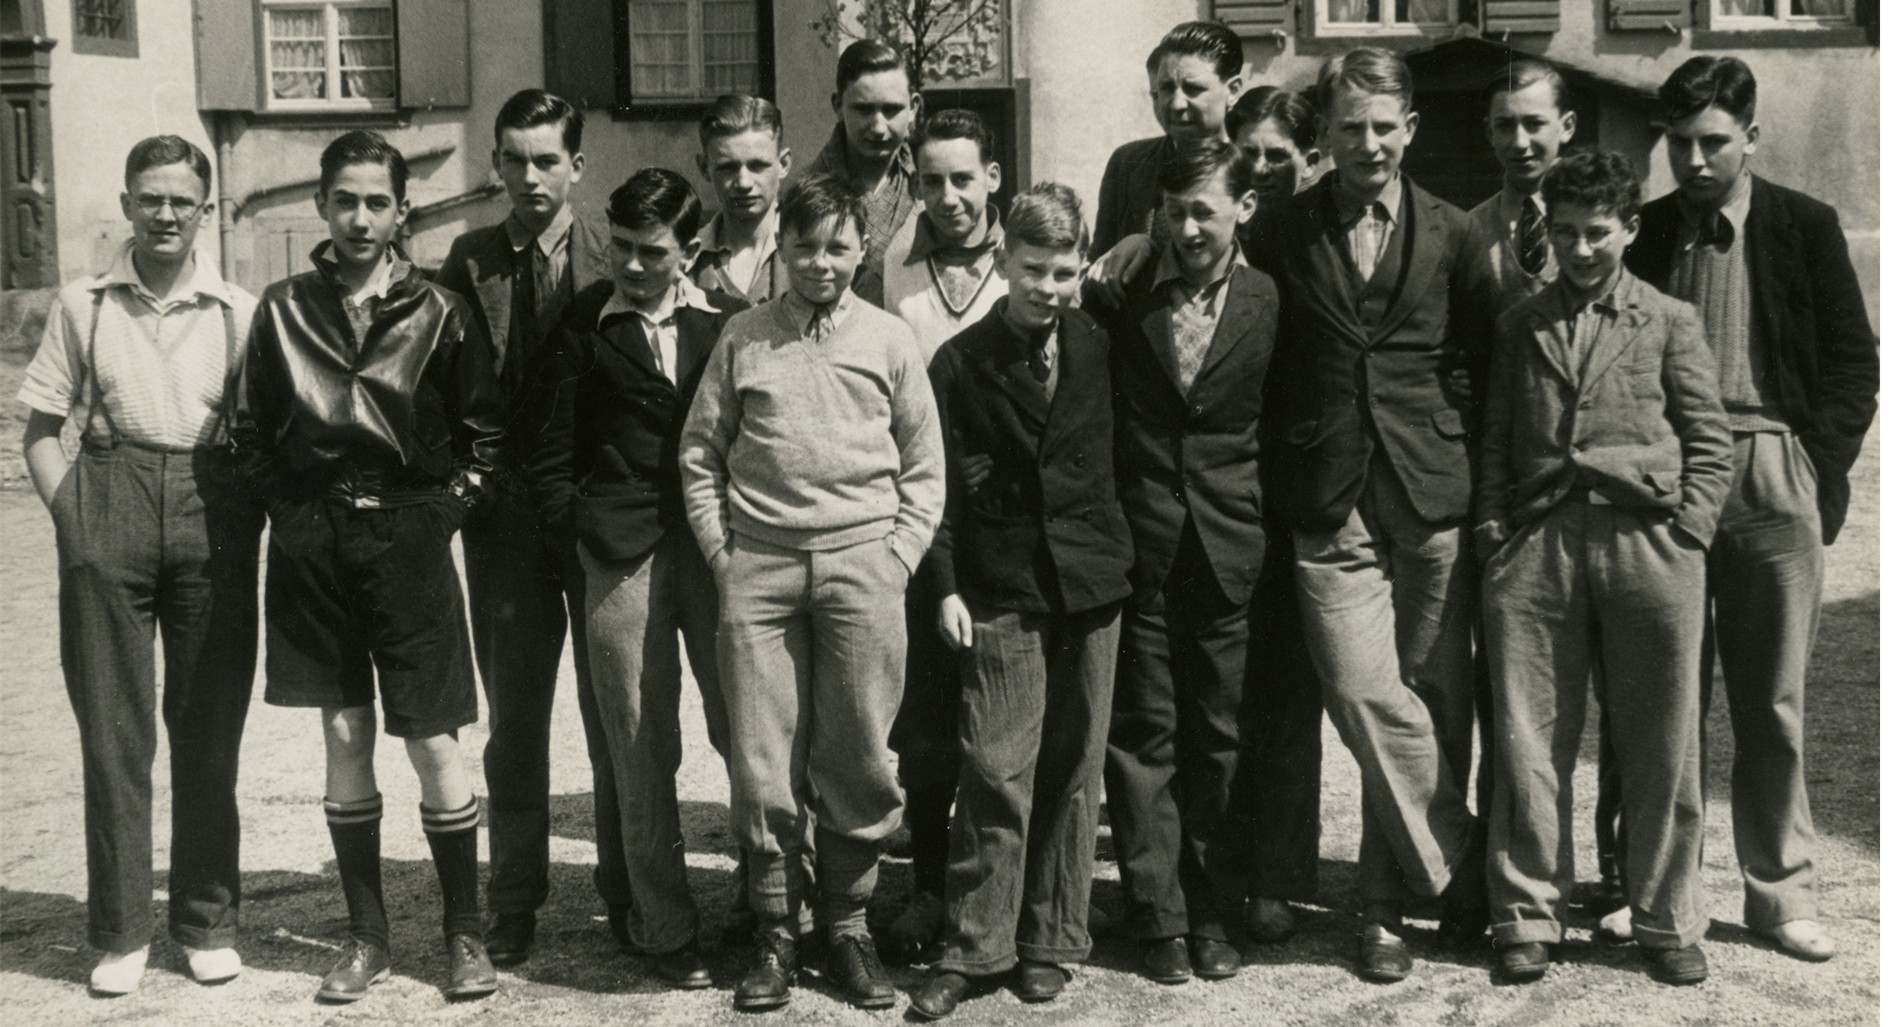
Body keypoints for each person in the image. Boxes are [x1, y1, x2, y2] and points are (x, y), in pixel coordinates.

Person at [229, 130, 505, 1003]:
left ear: (401, 211)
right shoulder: (280, 309)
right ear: (320, 205)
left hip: (407, 541)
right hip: (316, 548)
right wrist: (293, 517)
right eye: (343, 199)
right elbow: (247, 436)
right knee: (344, 735)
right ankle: (366, 937)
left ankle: (465, 934)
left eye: (376, 202)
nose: (359, 217)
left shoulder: (442, 309)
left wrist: (437, 516)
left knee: (432, 741)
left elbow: (486, 440)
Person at [1625, 55, 1880, 964]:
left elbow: (1855, 361)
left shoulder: (1802, 226)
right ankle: (1661, 890)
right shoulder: (1644, 232)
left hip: (1775, 469)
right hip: (1671, 480)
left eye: (1713, 143)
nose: (1694, 162)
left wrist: (1815, 466)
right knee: (1669, 698)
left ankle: (1780, 894)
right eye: (1679, 143)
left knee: (1771, 700)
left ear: (1751, 138)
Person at [1249, 47, 1492, 983]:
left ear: (1412, 130)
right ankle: (1468, 866)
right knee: (1360, 695)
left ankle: (1384, 910)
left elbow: (1476, 356)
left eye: (1385, 126)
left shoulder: (1453, 231)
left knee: (1433, 705)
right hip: (1327, 499)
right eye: (1350, 126)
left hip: (1431, 496)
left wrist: (1454, 451)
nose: (1369, 143)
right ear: (1328, 132)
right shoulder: (1283, 227)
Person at [679, 173, 945, 1012]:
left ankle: (849, 923)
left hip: (863, 566)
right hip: (760, 569)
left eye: (837, 245)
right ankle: (774, 928)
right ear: (780, 250)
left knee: (860, 756)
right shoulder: (743, 339)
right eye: (804, 246)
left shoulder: (890, 339)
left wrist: (897, 557)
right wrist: (727, 558)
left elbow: (925, 467)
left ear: (861, 248)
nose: (820, 262)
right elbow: (700, 457)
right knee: (763, 765)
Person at [1477, 149, 1733, 987]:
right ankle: (1526, 911)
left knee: (1661, 739)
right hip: (1539, 542)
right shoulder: (1521, 322)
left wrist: (1688, 531)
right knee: (1527, 739)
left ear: (1628, 228)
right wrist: (1493, 528)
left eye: (1598, 233)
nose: (1582, 249)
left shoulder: (1668, 319)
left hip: (1648, 544)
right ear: (1545, 229)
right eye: (1566, 232)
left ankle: (1665, 916)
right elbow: (1494, 436)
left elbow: (1709, 442)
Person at [18, 135, 263, 996]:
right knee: (114, 736)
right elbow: (43, 426)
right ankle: (120, 928)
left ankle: (205, 920)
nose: (165, 214)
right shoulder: (82, 304)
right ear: (127, 203)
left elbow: (264, 436)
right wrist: (75, 523)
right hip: (108, 499)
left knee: (207, 730)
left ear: (206, 209)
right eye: (149, 198)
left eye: (181, 201)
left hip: (210, 509)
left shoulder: (239, 309)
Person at [907, 182, 1134, 1020]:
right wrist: (946, 585)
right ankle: (974, 946)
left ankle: (1051, 937)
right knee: (997, 767)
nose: (1048, 286)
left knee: (1074, 769)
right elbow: (934, 491)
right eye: (1033, 268)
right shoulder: (960, 362)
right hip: (1000, 583)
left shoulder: (1102, 345)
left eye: (1065, 270)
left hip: (1091, 582)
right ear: (1003, 258)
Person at [519, 167, 748, 989]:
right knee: (640, 743)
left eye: (652, 251)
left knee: (745, 728)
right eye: (620, 247)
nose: (634, 265)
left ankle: (765, 908)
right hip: (619, 554)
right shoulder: (581, 323)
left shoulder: (730, 325)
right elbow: (549, 453)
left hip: (718, 549)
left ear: (690, 250)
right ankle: (664, 925)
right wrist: (578, 532)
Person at [433, 87, 624, 968]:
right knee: (516, 719)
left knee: (613, 711)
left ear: (576, 166)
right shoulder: (467, 260)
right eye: (513, 158)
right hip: (506, 522)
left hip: (591, 514)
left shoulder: (613, 254)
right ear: (496, 164)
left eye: (547, 159)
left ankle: (627, 891)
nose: (529, 176)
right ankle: (513, 899)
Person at [1093, 137, 1278, 985]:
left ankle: (1214, 908)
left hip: (1230, 543)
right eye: (1176, 211)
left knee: (1222, 734)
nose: (1190, 226)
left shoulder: (1271, 300)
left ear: (1244, 206)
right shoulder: (1122, 293)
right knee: (1145, 733)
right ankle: (1158, 915)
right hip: (1146, 540)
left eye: (1206, 209)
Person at [1464, 59, 1635, 940]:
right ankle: (1520, 892)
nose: (1519, 141)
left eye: (1535, 123)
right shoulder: (1470, 234)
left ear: (1567, 125)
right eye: (1504, 126)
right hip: (1518, 496)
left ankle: (1622, 872)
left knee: (1623, 700)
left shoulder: (1601, 223)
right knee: (1519, 711)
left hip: (1611, 502)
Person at [877, 106, 1009, 960]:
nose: (949, 196)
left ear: (993, 176)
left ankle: (1003, 887)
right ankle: (928, 883)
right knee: (926, 715)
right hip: (924, 512)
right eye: (931, 181)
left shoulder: (1021, 257)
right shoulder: (893, 264)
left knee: (1002, 713)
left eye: (964, 178)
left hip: (1010, 515)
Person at [1222, 81, 1327, 946]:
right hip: (1216, 503)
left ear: (1311, 160)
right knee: (1216, 696)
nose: (1260, 169)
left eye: (1278, 156)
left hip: (1292, 499)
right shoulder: (1204, 234)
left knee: (1288, 699)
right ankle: (1216, 866)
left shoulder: (1315, 247)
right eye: (1247, 152)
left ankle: (1278, 875)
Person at [1087, 20, 1243, 290]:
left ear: (1233, 90)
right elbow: (1097, 263)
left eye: (1193, 89)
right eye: (1167, 89)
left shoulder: (1254, 168)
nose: (1176, 104)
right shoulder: (1128, 163)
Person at [806, 39, 922, 305]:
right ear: (838, 106)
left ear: (913, 107)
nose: (878, 127)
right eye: (864, 110)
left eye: (891, 110)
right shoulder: (804, 186)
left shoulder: (934, 182)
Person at [691, 93, 794, 303]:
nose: (744, 183)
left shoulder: (815, 251)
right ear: (704, 168)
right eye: (728, 168)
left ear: (783, 165)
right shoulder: (687, 259)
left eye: (758, 166)